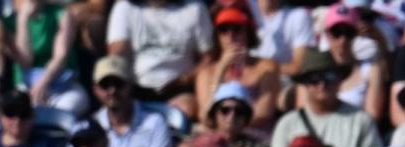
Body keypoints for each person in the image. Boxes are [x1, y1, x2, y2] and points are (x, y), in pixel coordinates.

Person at [268, 50, 382, 147]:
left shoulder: (361, 119)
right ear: (305, 85)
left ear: (340, 80)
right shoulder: (287, 123)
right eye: (314, 79)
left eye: (329, 77)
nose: (322, 85)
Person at [72, 55, 172, 147]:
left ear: (130, 84)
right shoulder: (86, 127)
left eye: (118, 83)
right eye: (105, 84)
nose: (112, 90)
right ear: (95, 89)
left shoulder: (154, 122)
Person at [106, 0, 214, 120]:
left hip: (180, 88)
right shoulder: (125, 8)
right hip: (137, 89)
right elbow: (116, 56)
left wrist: (186, 79)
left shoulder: (195, 8)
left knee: (186, 110)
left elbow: (208, 59)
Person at [194, 0, 280, 128]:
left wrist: (232, 127)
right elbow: (205, 117)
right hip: (218, 137)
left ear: (247, 32)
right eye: (224, 30)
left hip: (253, 135)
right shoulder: (206, 72)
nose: (230, 35)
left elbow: (263, 113)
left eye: (236, 29)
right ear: (217, 37)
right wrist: (220, 71)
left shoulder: (266, 68)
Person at [6, 0, 87, 116]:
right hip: (27, 87)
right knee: (22, 113)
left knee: (66, 110)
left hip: (63, 86)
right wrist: (22, 19)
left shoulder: (62, 14)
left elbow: (61, 56)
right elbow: (25, 60)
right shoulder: (9, 22)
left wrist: (42, 84)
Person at [321, 3, 388, 122]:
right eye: (336, 32)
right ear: (327, 34)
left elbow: (372, 118)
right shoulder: (315, 71)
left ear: (356, 35)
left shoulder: (371, 70)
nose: (343, 40)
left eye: (349, 33)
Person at [253, 0, 315, 80]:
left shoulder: (298, 16)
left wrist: (261, 68)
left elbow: (299, 67)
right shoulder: (243, 13)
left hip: (282, 86)